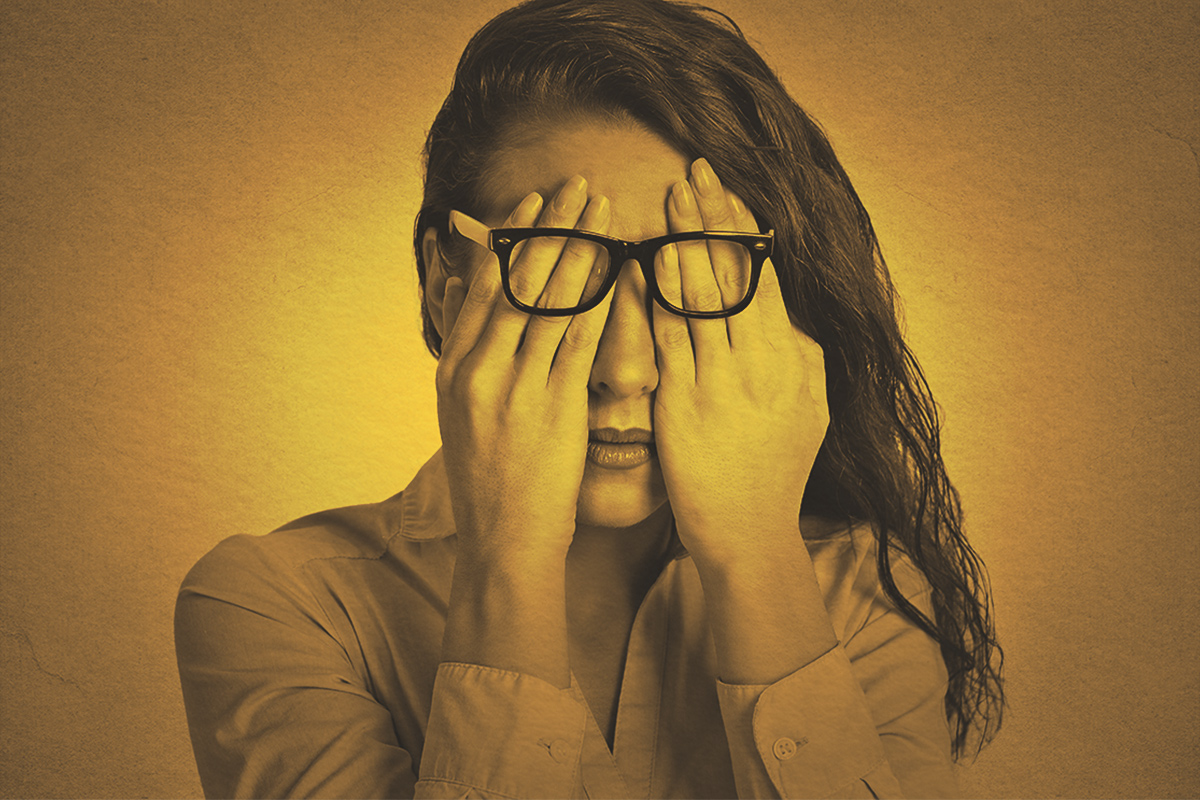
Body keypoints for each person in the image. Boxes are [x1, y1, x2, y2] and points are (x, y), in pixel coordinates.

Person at [174, 0, 1005, 797]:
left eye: (694, 272)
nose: (626, 368)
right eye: (556, 267)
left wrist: (755, 554)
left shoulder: (863, 592)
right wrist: (508, 554)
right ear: (441, 282)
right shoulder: (279, 602)